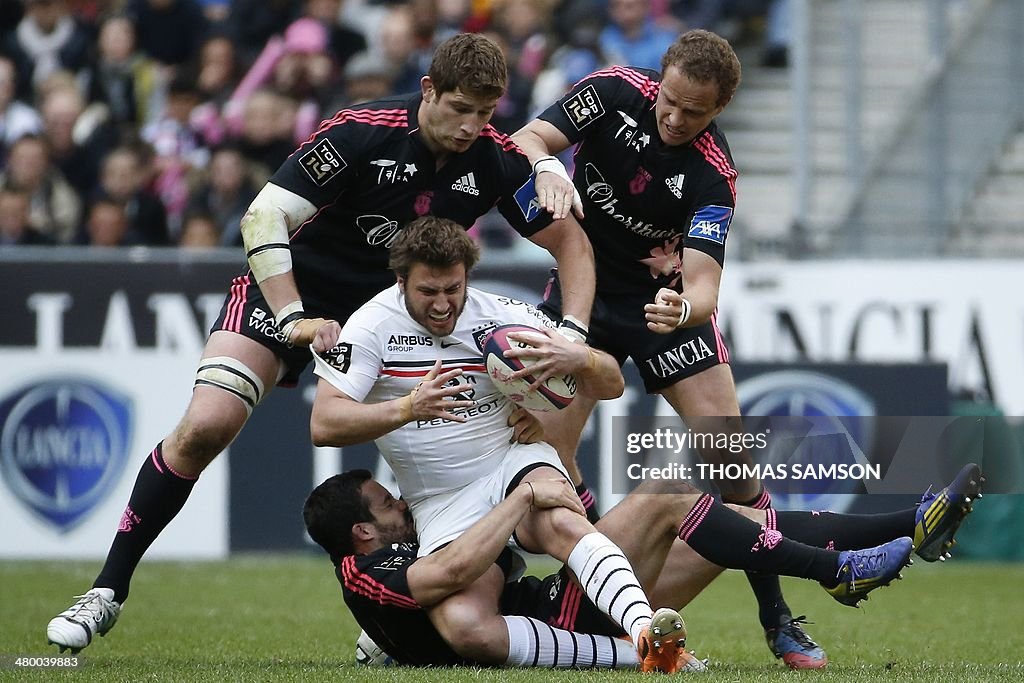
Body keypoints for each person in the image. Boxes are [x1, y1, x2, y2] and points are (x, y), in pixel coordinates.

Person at [46, 33, 597, 654]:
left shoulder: (495, 160)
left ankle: (401, 619)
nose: (472, 126)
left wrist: (573, 337)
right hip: (292, 292)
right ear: (428, 92)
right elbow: (263, 217)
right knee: (205, 425)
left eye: (485, 113)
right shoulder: (360, 132)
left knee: (454, 446)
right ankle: (106, 590)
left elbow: (572, 245)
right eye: (460, 108)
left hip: (396, 317)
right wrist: (292, 316)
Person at [511, 28, 820, 668]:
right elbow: (528, 137)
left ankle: (778, 616)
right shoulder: (611, 93)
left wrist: (685, 306)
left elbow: (706, 283)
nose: (676, 119)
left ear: (719, 109)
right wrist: (545, 165)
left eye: (695, 112)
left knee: (733, 466)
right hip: (582, 297)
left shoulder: (714, 172)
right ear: (661, 79)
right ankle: (587, 589)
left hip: (663, 311)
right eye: (670, 102)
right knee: (539, 464)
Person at [306, 215, 688, 672]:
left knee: (560, 522)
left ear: (467, 276)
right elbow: (324, 423)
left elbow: (610, 385)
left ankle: (646, 630)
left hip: (510, 458)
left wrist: (579, 354)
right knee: (466, 626)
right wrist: (408, 407)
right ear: (400, 280)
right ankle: (635, 657)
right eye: (428, 292)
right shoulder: (370, 327)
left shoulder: (503, 314)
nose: (444, 305)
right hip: (440, 499)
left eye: (454, 289)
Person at [302, 462, 983, 668]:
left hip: (577, 593)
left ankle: (909, 522)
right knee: (667, 493)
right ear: (363, 529)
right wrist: (510, 506)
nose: (403, 503)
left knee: (738, 527)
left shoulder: (391, 555)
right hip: (569, 612)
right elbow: (463, 578)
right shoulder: (377, 566)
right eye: (388, 503)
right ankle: (835, 574)